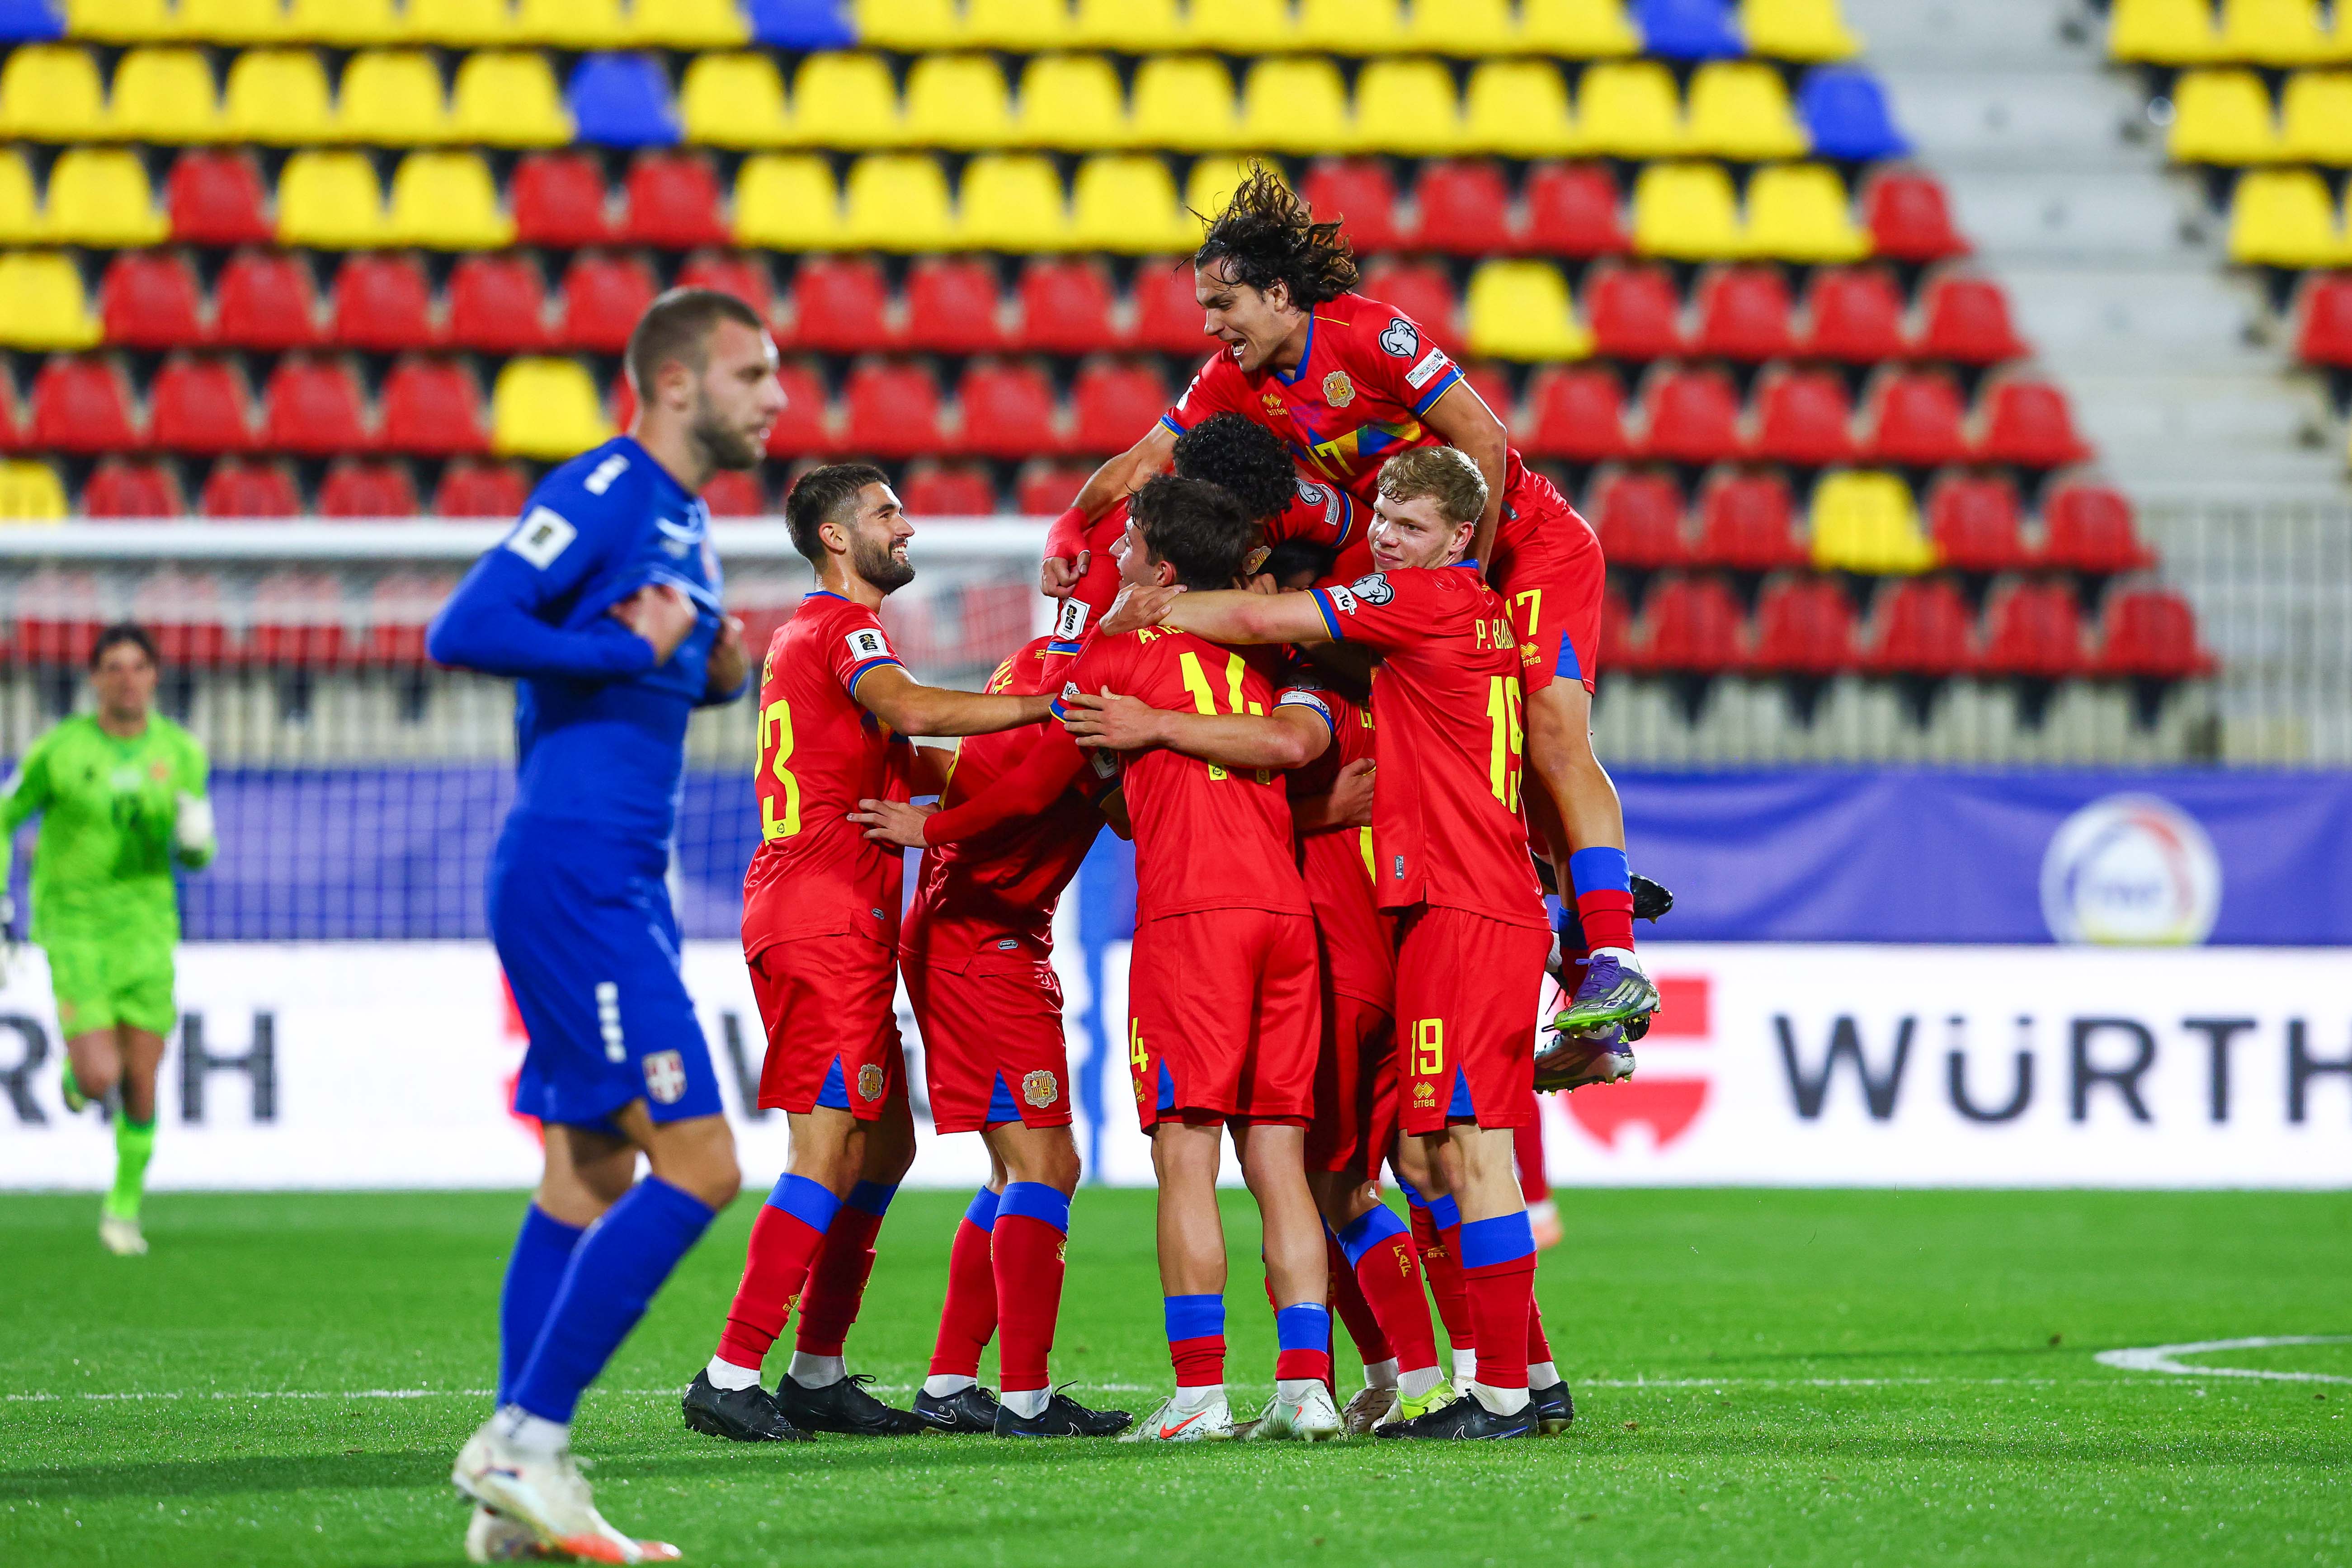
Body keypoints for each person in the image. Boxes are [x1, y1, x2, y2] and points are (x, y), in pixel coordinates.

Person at [1041, 165, 1657, 1049]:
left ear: (1280, 292)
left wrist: (1462, 584)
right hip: (1430, 572)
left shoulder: (1371, 337)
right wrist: (1075, 519)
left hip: (1524, 547)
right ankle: (1577, 927)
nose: (1212, 327)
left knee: (1552, 735)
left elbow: (1483, 438)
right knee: (1470, 759)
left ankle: (1615, 956)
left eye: (1224, 304)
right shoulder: (1232, 381)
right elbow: (1143, 461)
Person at [1096, 447, 1565, 1440]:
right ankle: (1483, 1374)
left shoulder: (1340, 651)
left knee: (1366, 1169)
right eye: (1379, 525)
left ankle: (1443, 1379)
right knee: (1411, 1159)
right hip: (1409, 922)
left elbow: (1286, 734)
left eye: (1405, 528)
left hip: (1356, 932)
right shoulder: (1433, 642)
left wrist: (1146, 629)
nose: (1384, 545)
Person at [428, 287, 778, 1564]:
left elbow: (657, 647)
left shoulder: (680, 522)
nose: (775, 400)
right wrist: (638, 659)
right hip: (578, 872)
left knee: (588, 1170)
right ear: (677, 383)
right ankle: (525, 1434)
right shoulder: (612, 485)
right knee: (703, 1163)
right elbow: (464, 626)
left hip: (607, 871)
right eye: (752, 376)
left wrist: (712, 659)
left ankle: (513, 1495)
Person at [683, 464, 1063, 1446]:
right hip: (822, 918)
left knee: (883, 1145)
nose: (908, 525)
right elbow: (916, 713)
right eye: (887, 512)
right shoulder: (845, 633)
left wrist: (1044, 782)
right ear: (836, 538)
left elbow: (934, 764)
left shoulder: (816, 646)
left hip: (833, 915)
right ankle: (731, 1371)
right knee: (825, 1149)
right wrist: (1047, 711)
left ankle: (815, 1372)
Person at [1058, 537, 1454, 1437]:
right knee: (1293, 1168)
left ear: (1164, 570)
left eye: (1127, 548)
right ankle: (1308, 1387)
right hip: (1294, 924)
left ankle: (1202, 1394)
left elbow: (1096, 787)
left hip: (1205, 924)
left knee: (1189, 1156)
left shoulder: (1119, 658)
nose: (1111, 558)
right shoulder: (1274, 665)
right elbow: (1270, 762)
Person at [869, 631, 1132, 1439]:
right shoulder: (1093, 679)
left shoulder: (1033, 656)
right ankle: (1025, 1394)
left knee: (1012, 1169)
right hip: (983, 944)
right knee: (1047, 1164)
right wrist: (930, 830)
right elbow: (1032, 795)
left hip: (983, 933)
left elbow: (994, 776)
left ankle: (951, 1382)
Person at [1, 623, 213, 1258]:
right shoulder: (60, 751)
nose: (127, 678)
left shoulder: (180, 752)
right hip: (76, 925)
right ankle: (79, 1078)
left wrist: (198, 844)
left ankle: (123, 1209)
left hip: (149, 927)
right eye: (114, 667)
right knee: (102, 1077)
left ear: (155, 676)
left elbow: (197, 849)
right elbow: (7, 817)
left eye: (139, 666)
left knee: (143, 1079)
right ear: (95, 679)